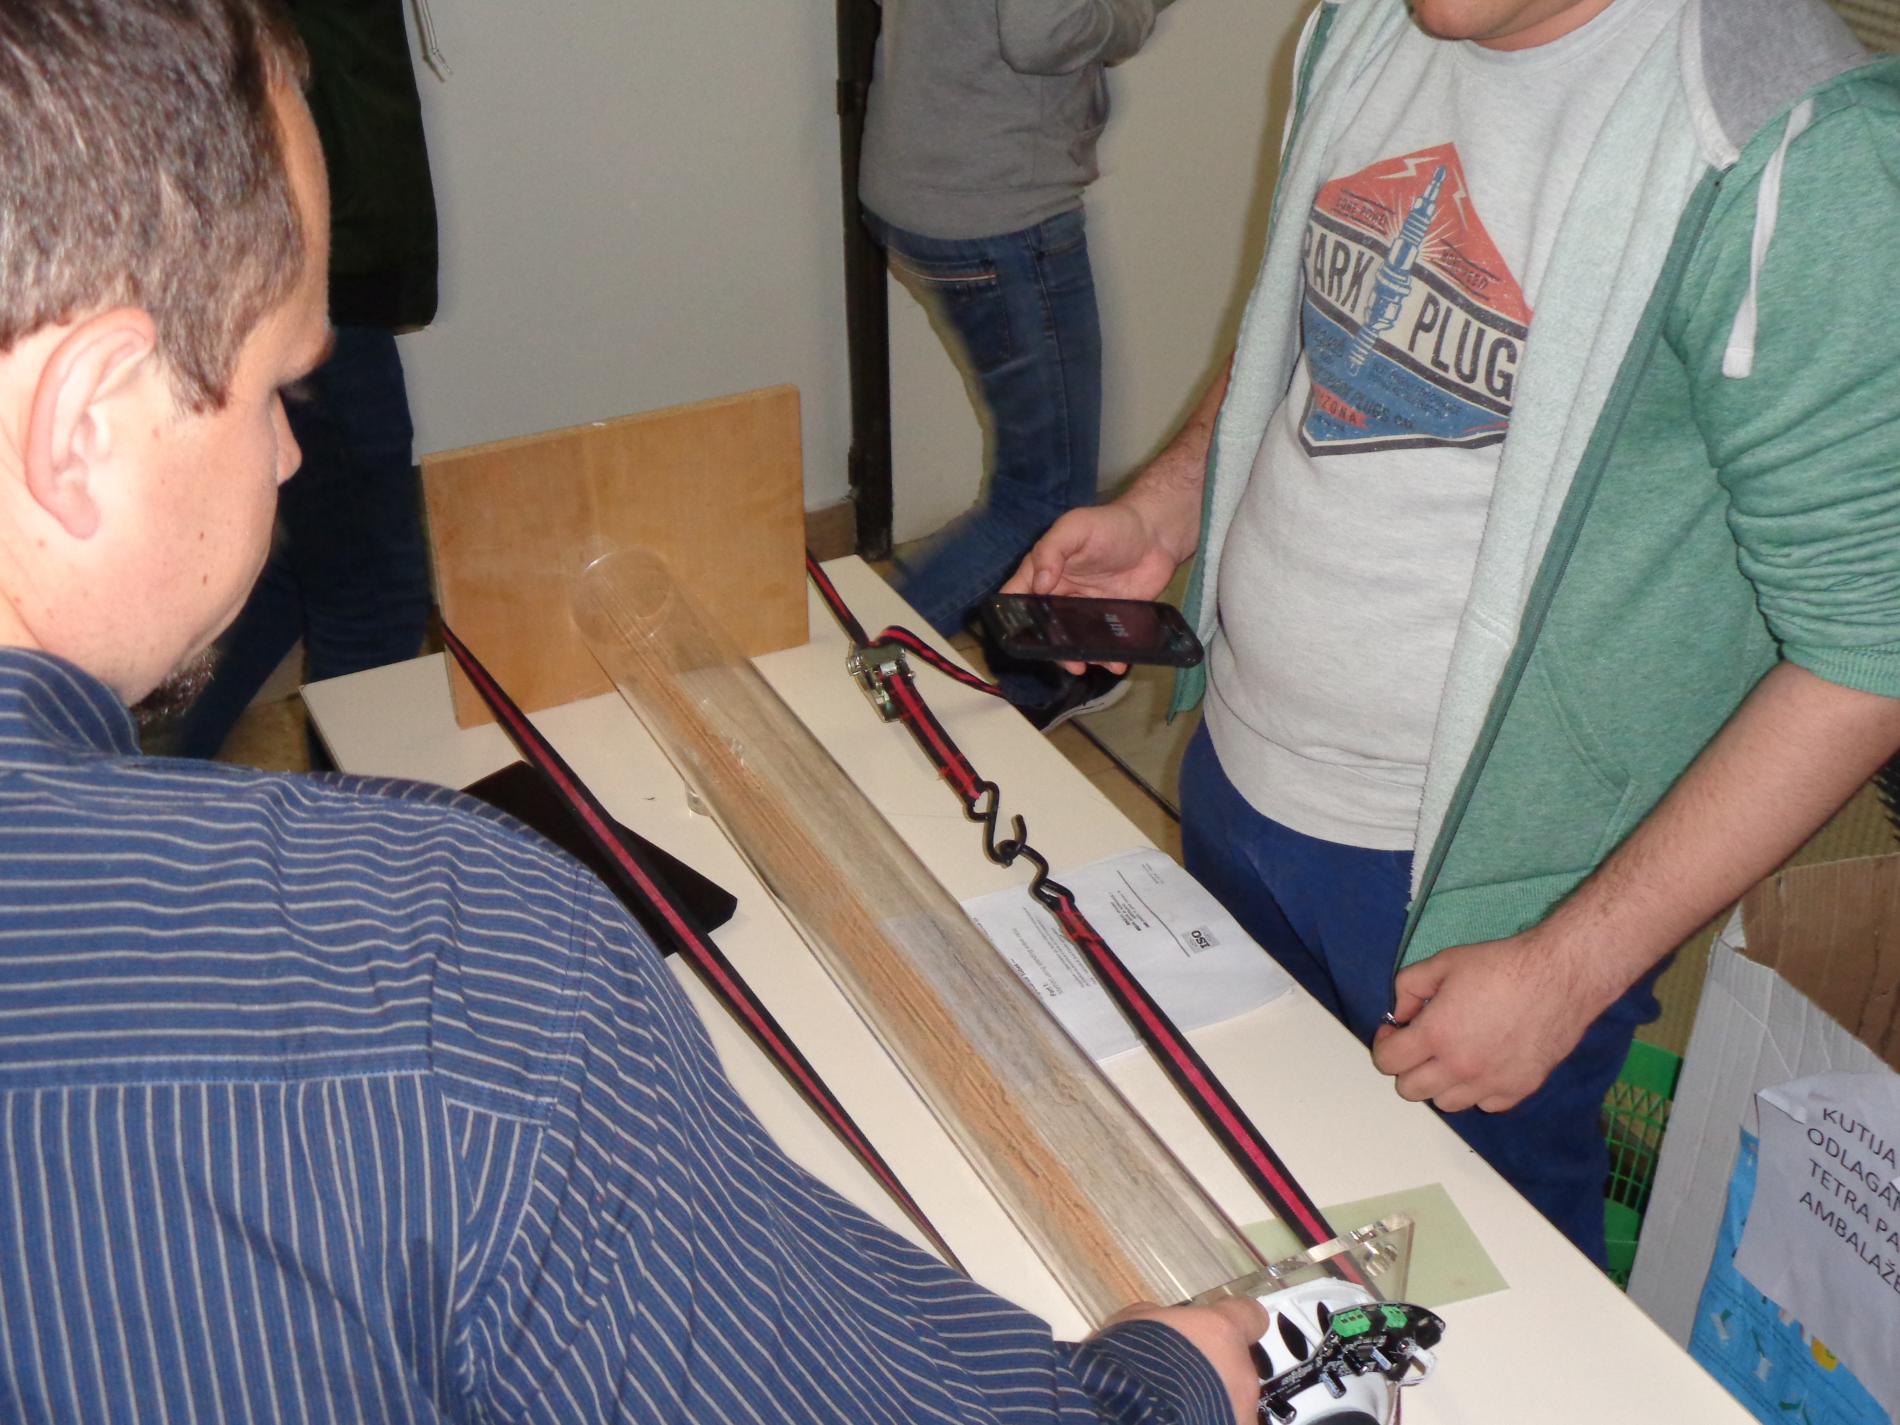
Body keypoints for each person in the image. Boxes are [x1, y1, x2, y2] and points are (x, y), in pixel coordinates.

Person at [0, 2, 1272, 1420]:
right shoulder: (446, 965)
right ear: (83, 424)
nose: (291, 455)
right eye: (274, 391)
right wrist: (1164, 1382)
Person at [1007, 0, 1900, 1261]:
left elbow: (1868, 652)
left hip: (1481, 901)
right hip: (1241, 777)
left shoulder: (1803, 150)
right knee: (1257, 1196)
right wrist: (1166, 507)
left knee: (1479, 1293)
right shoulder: (1371, 23)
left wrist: (1569, 966)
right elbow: (1317, 314)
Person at [860, 0, 1171, 728]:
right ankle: (857, 672)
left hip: (923, 184)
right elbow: (1044, 31)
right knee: (1039, 499)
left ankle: (1033, 668)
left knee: (1037, 484)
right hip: (1000, 213)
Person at [175, 0, 438, 765]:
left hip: (296, 251)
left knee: (307, 556)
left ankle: (135, 773)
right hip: (297, 257)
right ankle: (353, 836)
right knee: (373, 593)